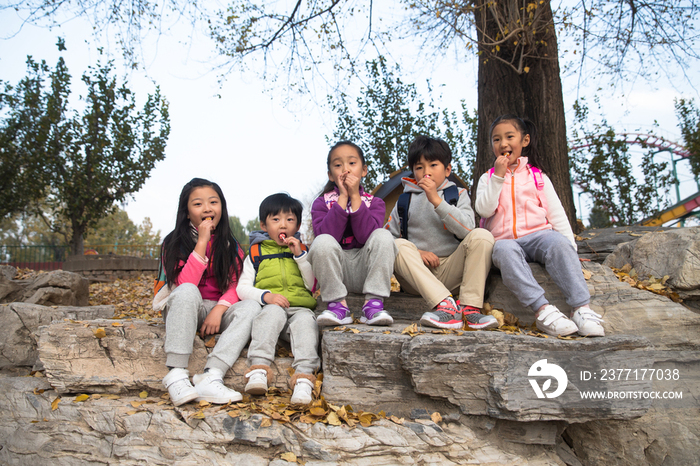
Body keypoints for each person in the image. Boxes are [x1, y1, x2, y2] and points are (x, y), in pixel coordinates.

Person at [475, 114, 604, 337]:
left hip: (538, 236)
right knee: (504, 250)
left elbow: (557, 214)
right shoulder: (488, 178)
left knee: (558, 243)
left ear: (524, 141)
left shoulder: (537, 176)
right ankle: (543, 310)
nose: (503, 144)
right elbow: (484, 210)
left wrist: (570, 251)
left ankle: (581, 309)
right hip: (505, 241)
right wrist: (498, 176)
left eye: (509, 137)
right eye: (496, 140)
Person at [157, 178, 262, 407]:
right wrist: (202, 241)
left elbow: (236, 285)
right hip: (183, 308)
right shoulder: (172, 242)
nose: (207, 208)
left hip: (217, 308)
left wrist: (219, 309)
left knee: (252, 307)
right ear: (186, 212)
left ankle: (212, 375)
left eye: (213, 202)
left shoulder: (230, 244)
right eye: (197, 204)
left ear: (221, 208)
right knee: (186, 291)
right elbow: (184, 284)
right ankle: (176, 373)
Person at [385, 135, 498, 330]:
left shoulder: (457, 194)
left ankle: (470, 309)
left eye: (433, 165)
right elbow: (388, 238)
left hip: (452, 271)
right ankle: (445, 306)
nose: (426, 173)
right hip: (417, 276)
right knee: (396, 245)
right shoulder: (404, 201)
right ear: (413, 171)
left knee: (482, 235)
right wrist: (418, 253)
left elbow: (467, 230)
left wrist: (437, 201)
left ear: (447, 170)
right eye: (419, 167)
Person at [237, 193, 319, 404]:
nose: (283, 225)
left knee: (306, 323)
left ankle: (304, 378)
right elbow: (242, 288)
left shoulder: (304, 251)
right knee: (270, 314)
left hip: (299, 308)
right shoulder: (256, 252)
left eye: (290, 220)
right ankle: (259, 369)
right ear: (264, 226)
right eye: (276, 220)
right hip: (271, 308)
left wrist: (300, 256)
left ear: (298, 225)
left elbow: (312, 285)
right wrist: (267, 296)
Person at [309, 141, 398, 327]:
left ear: (364, 170)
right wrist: (342, 198)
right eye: (338, 165)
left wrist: (355, 197)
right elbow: (326, 236)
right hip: (336, 273)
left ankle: (373, 304)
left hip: (366, 272)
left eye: (352, 163)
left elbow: (367, 236)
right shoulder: (321, 203)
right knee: (322, 241)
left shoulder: (375, 203)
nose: (345, 170)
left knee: (383, 236)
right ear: (330, 175)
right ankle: (337, 306)